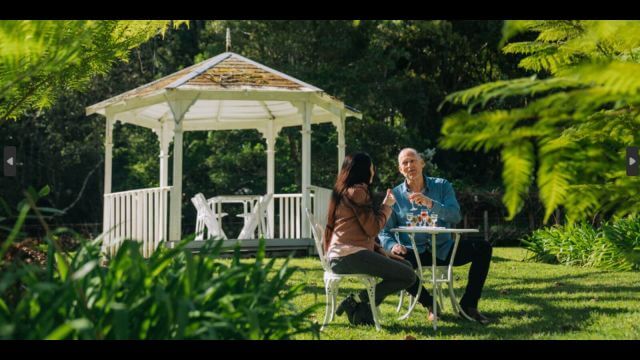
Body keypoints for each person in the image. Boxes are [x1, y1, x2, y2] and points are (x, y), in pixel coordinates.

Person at [378, 148, 494, 324]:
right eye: (405, 163)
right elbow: (384, 231)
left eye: (413, 160)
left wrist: (430, 203)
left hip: (443, 250)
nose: (410, 165)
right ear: (400, 169)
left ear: (422, 163)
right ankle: (430, 304)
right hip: (412, 251)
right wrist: (392, 246)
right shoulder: (394, 195)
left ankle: (468, 305)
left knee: (483, 248)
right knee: (393, 261)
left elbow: (455, 216)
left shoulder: (442, 186)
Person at [323, 152, 418, 326]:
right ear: (364, 170)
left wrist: (382, 252)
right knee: (409, 276)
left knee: (407, 267)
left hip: (344, 255)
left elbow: (360, 232)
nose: (374, 171)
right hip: (348, 256)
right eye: (372, 167)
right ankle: (356, 300)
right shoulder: (358, 192)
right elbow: (373, 227)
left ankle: (361, 315)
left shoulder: (345, 191)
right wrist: (387, 206)